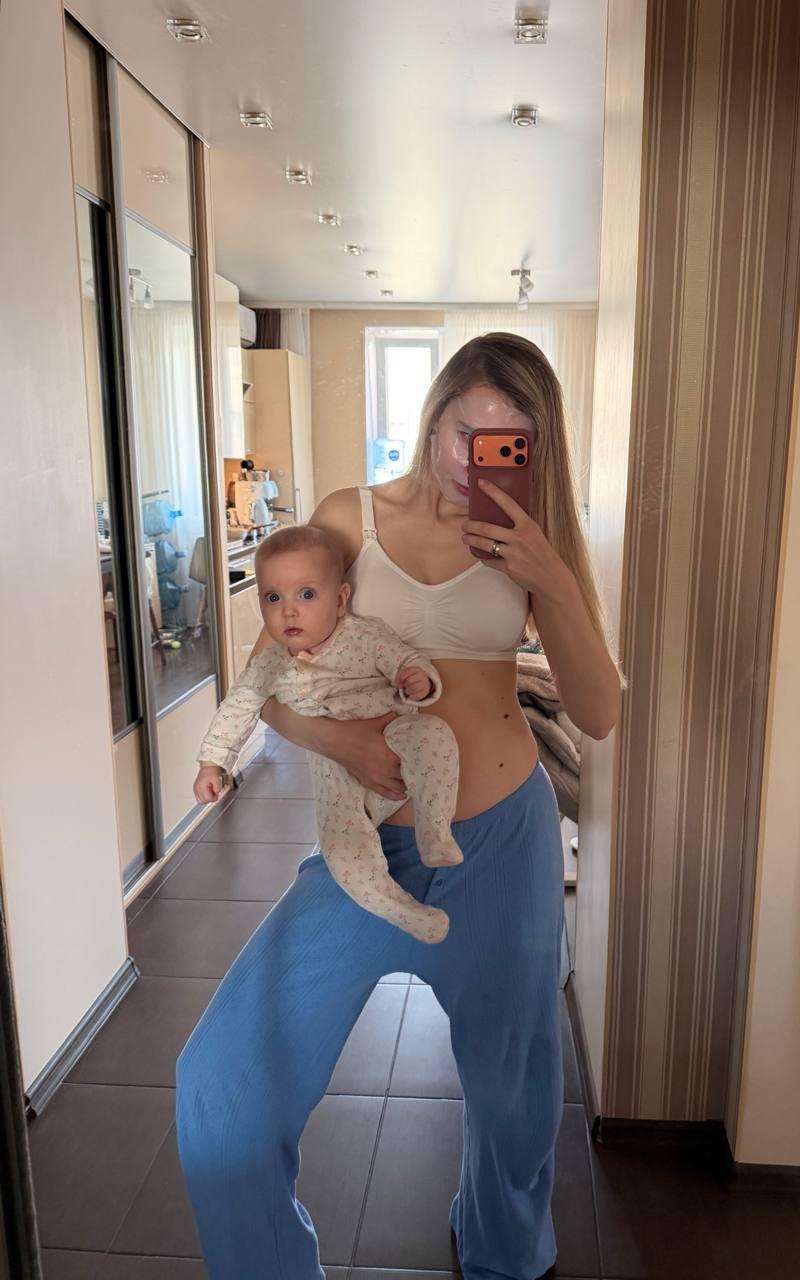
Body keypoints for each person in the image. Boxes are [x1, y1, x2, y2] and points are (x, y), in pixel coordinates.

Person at [175, 333, 625, 1280]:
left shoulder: (531, 537)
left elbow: (597, 711)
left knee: (514, 1099)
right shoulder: (351, 519)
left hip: (503, 843)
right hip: (367, 850)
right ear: (434, 414)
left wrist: (548, 576)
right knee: (223, 1077)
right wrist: (338, 741)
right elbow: (267, 678)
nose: (475, 462)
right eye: (466, 432)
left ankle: (503, 1253)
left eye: (507, 443)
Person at [192, 524, 462, 945]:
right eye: (273, 598)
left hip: (394, 733)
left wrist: (417, 679)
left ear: (339, 599)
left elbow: (403, 658)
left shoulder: (364, 635)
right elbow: (238, 707)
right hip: (337, 774)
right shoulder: (269, 665)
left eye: (306, 594)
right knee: (342, 853)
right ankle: (408, 913)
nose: (289, 611)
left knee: (434, 735)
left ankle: (434, 831)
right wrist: (213, 762)